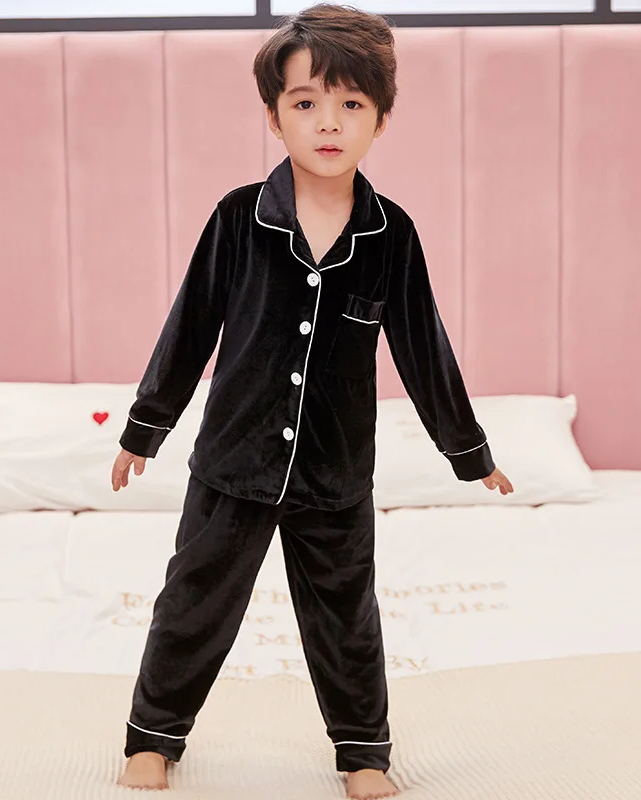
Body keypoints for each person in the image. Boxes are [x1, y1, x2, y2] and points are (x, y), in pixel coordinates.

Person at [111, 4, 514, 797]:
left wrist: (469, 452)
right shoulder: (238, 218)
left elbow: (423, 350)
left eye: (351, 104)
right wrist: (144, 427)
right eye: (305, 102)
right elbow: (189, 328)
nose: (328, 122)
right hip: (233, 464)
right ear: (274, 117)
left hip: (335, 473)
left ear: (380, 120)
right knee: (193, 604)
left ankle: (363, 754)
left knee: (345, 617)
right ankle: (153, 737)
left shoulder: (391, 235)